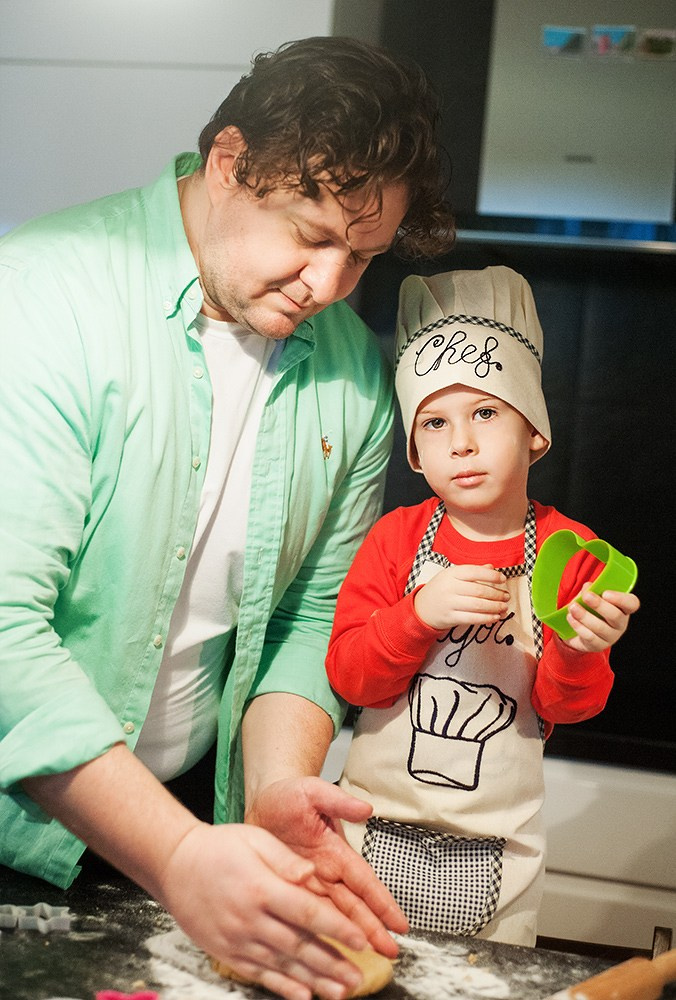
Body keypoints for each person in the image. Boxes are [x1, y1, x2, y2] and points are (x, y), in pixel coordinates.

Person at [0, 35, 455, 1000]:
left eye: (362, 258)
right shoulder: (39, 299)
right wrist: (176, 856)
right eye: (311, 234)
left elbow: (304, 615)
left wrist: (277, 788)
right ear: (230, 162)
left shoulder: (350, 372)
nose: (329, 288)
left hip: (178, 824)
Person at [326, 265, 640, 948]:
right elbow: (352, 679)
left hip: (501, 851)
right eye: (435, 423)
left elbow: (567, 707)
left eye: (486, 413)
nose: (460, 443)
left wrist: (582, 647)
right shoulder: (396, 540)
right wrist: (418, 615)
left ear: (534, 429)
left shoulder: (568, 550)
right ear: (414, 449)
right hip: (370, 835)